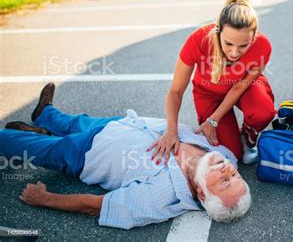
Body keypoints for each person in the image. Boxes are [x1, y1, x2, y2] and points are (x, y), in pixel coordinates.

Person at [0, 83, 251, 230]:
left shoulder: (161, 198)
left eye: (225, 181)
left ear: (203, 193)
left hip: (88, 154)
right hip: (123, 124)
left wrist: (46, 199)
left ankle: (34, 135)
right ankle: (45, 115)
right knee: (75, 122)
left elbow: (99, 206)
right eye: (235, 175)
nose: (228, 169)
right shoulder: (223, 152)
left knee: (28, 145)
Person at [148, 0, 277, 165]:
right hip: (208, 93)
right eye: (228, 43)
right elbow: (176, 91)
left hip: (243, 87)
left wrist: (213, 120)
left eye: (243, 46)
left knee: (262, 111)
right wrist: (171, 130)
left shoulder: (263, 45)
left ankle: (248, 137)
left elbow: (240, 86)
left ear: (253, 37)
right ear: (218, 31)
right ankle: (234, 140)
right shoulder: (197, 40)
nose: (234, 52)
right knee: (232, 154)